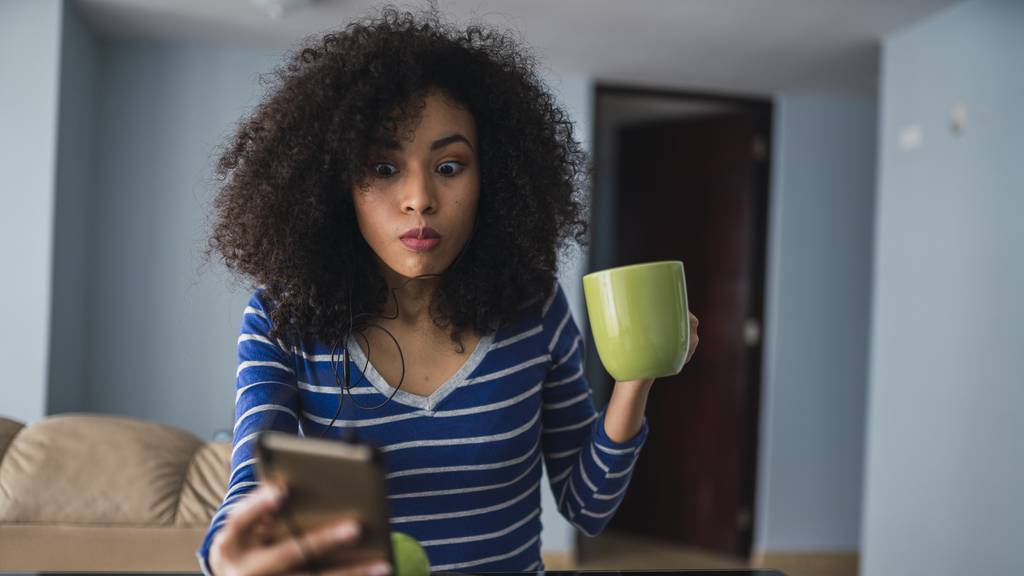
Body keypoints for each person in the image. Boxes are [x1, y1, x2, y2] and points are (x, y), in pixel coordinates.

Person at [198, 5, 700, 576]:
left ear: (495, 178)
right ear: (337, 184)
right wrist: (226, 555)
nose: (420, 199)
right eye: (384, 168)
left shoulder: (533, 310)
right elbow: (249, 487)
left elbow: (587, 506)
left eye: (450, 165)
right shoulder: (282, 319)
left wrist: (636, 378)